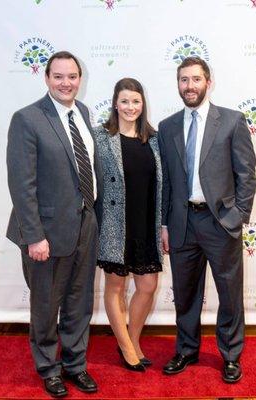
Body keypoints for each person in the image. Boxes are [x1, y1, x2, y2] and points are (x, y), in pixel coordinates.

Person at [6, 51, 103, 397]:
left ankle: (75, 365)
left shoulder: (83, 113)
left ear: (80, 78)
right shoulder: (27, 119)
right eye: (59, 76)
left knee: (80, 301)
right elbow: (22, 184)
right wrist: (34, 236)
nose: (66, 83)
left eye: (72, 76)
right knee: (46, 306)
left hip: (85, 225)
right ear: (46, 78)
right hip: (45, 233)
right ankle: (49, 369)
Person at [158, 57, 256, 383]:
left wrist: (238, 216)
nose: (190, 86)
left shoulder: (230, 121)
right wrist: (166, 224)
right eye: (184, 80)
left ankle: (230, 355)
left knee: (230, 292)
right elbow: (167, 182)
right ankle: (186, 350)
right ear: (178, 84)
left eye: (195, 79)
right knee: (185, 293)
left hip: (220, 223)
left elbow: (246, 174)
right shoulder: (168, 126)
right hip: (183, 223)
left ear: (208, 82)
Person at [93, 78, 162, 372]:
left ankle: (132, 339)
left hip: (146, 221)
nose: (130, 107)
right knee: (116, 286)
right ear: (115, 103)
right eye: (125, 101)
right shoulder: (100, 137)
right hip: (113, 224)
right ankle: (124, 345)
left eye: (136, 101)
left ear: (142, 103)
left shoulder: (154, 139)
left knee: (148, 284)